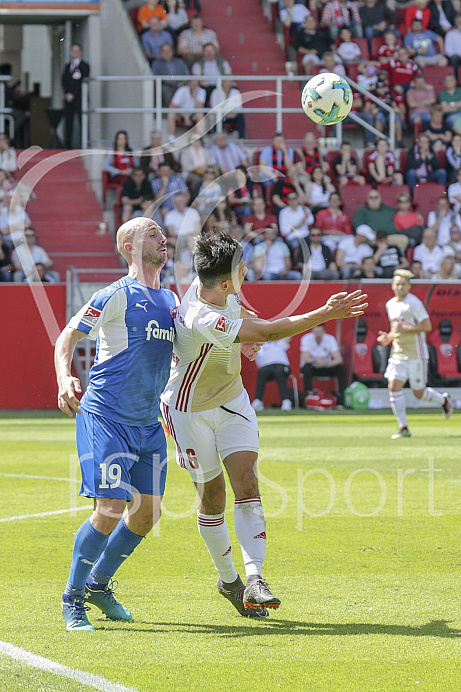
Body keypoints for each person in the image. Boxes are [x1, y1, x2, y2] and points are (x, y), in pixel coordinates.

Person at [160, 226, 367, 616]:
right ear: (225, 281)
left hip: (233, 400)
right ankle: (229, 581)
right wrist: (325, 312)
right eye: (242, 269)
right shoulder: (201, 315)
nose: (247, 274)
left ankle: (255, 578)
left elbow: (247, 314)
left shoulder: (217, 289)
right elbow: (270, 330)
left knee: (247, 481)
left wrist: (246, 336)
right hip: (189, 410)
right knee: (213, 495)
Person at [55, 217, 177, 631]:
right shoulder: (113, 295)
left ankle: (98, 585)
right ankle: (72, 599)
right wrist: (64, 376)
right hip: (107, 417)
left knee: (147, 514)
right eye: (153, 233)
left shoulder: (173, 300)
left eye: (162, 234)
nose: (163, 239)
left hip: (147, 423)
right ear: (129, 245)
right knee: (108, 509)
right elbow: (67, 338)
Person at [377, 269, 452, 439]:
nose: (400, 287)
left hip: (416, 354)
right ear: (392, 285)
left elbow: (427, 326)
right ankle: (403, 427)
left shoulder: (413, 303)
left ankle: (443, 400)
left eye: (404, 284)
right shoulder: (391, 304)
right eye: (398, 284)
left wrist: (406, 328)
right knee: (393, 387)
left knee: (418, 392)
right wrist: (387, 338)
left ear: (409, 286)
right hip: (397, 354)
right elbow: (395, 329)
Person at [300, 324, 347, 406]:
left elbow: (339, 359)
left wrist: (328, 364)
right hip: (313, 367)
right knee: (306, 367)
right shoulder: (306, 339)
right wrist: (316, 360)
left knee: (341, 368)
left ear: (324, 332)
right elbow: (306, 359)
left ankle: (341, 398)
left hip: (326, 367)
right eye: (316, 331)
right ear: (312, 331)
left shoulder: (330, 339)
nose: (318, 334)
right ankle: (308, 397)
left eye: (320, 332)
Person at [251, 339, 294, 412]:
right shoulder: (259, 346)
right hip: (267, 368)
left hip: (281, 366)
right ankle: (258, 400)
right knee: (262, 371)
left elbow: (289, 336)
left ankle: (286, 401)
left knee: (279, 371)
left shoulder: (280, 343)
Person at [61, 43, 90, 149]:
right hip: (68, 99)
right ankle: (67, 145)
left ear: (81, 53)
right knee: (68, 122)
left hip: (79, 99)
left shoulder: (85, 66)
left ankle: (84, 144)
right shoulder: (67, 66)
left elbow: (82, 82)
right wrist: (67, 93)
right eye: (73, 51)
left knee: (82, 121)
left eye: (77, 51)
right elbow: (64, 81)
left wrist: (73, 93)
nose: (75, 53)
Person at [151, 42, 190, 107]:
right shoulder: (156, 63)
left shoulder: (180, 62)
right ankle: (171, 111)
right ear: (161, 52)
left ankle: (183, 112)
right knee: (164, 89)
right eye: (164, 51)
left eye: (168, 51)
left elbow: (187, 75)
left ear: (172, 52)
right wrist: (164, 80)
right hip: (166, 85)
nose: (167, 53)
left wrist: (182, 83)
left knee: (186, 89)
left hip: (180, 85)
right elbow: (154, 75)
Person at [444, 15, 461, 80]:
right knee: (454, 58)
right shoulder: (450, 34)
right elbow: (448, 50)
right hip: (457, 58)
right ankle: (456, 81)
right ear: (456, 24)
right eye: (459, 22)